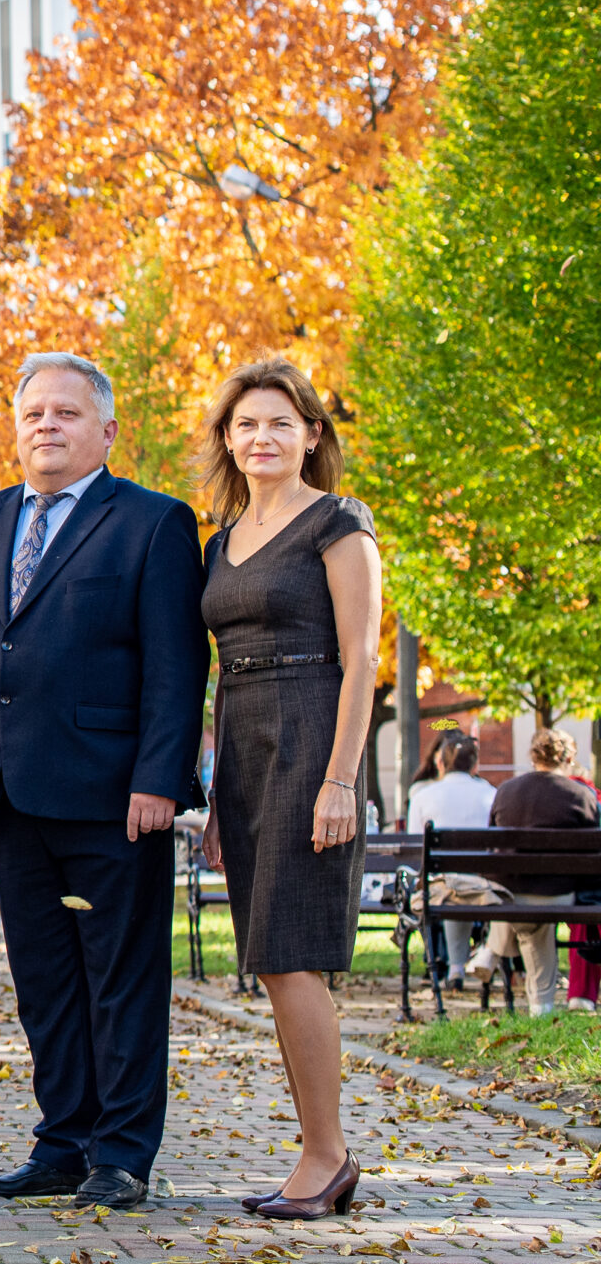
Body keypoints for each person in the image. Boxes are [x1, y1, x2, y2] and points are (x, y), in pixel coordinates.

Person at [0, 351, 208, 1211]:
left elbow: (176, 670)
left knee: (122, 979)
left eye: (67, 413)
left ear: (107, 430)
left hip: (116, 797)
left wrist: (160, 778)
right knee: (44, 979)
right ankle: (63, 1141)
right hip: (8, 791)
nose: (48, 425)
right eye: (34, 411)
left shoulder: (152, 523)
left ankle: (121, 1153)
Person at [195, 359, 381, 1220]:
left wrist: (340, 776)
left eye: (278, 423)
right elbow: (224, 670)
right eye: (245, 425)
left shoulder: (339, 523)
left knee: (287, 952)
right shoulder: (219, 539)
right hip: (244, 747)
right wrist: (216, 789)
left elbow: (363, 659)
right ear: (228, 441)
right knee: (269, 961)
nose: (260, 437)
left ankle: (326, 1154)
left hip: (313, 736)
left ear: (311, 434)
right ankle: (316, 1148)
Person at [466, 729, 601, 1015]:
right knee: (535, 917)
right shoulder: (582, 795)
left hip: (508, 894)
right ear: (567, 758)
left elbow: (494, 847)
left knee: (522, 910)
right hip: (556, 895)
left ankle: (490, 951)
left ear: (533, 756)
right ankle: (542, 1008)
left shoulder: (506, 790)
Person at [408, 732, 498, 986]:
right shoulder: (490, 794)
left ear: (441, 762)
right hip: (481, 884)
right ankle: (461, 964)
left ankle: (455, 967)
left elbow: (416, 846)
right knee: (464, 883)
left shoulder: (423, 796)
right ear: (475, 764)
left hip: (439, 885)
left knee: (451, 886)